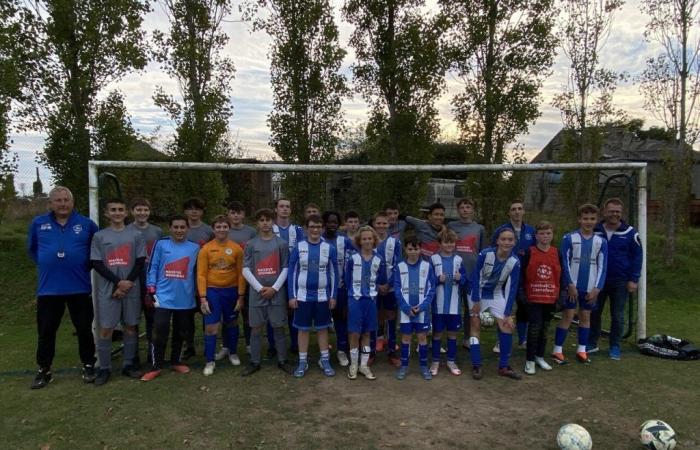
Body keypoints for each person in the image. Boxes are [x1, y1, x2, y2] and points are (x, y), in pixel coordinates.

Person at [27, 186, 99, 389]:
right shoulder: (38, 223)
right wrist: (49, 263)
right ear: (50, 203)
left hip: (79, 287)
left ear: (73, 202)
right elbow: (33, 250)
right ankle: (44, 370)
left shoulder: (86, 224)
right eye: (58, 200)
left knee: (84, 329)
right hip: (49, 289)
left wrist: (81, 264)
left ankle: (88, 365)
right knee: (46, 331)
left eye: (66, 199)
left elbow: (97, 250)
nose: (63, 203)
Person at [90, 198, 147, 385]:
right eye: (112, 209)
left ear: (125, 213)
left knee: (130, 326)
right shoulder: (100, 236)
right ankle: (104, 368)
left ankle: (128, 364)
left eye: (120, 209)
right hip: (108, 289)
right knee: (106, 328)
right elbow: (96, 263)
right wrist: (117, 283)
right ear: (106, 213)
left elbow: (140, 261)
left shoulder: (136, 235)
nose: (117, 212)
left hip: (131, 288)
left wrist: (126, 283)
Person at [141, 216, 200, 381]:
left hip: (185, 298)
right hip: (163, 296)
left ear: (187, 229)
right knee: (159, 330)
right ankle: (156, 365)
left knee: (181, 331)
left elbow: (198, 272)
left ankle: (176, 361)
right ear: (170, 228)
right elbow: (152, 266)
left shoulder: (195, 248)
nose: (179, 230)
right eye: (176, 227)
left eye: (182, 227)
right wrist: (151, 286)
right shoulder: (161, 244)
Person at [552, 204, 608, 365]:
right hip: (573, 287)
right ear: (579, 219)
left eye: (592, 219)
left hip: (590, 287)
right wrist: (570, 284)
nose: (588, 222)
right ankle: (557, 350)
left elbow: (603, 266)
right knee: (568, 315)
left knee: (585, 316)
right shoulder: (569, 238)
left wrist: (597, 288)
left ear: (596, 220)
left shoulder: (601, 242)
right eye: (585, 218)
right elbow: (564, 262)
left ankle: (582, 350)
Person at [240, 209, 293, 376]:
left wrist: (274, 288)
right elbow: (245, 269)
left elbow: (286, 268)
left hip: (276, 292)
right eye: (261, 220)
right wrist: (259, 288)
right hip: (257, 293)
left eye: (268, 220)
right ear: (257, 223)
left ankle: (282, 360)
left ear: (273, 222)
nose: (265, 223)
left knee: (278, 327)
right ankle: (255, 362)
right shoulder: (251, 244)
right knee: (256, 328)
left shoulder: (281, 244)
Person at [589, 198, 643, 360]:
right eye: (611, 211)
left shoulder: (631, 233)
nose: (614, 214)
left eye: (617, 211)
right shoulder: (595, 230)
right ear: (605, 212)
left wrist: (634, 279)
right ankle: (592, 342)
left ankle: (614, 346)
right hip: (598, 280)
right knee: (594, 312)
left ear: (622, 213)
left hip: (620, 281)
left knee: (617, 315)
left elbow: (637, 257)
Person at [288, 214, 338, 377]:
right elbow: (292, 272)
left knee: (323, 328)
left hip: (323, 296)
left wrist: (333, 295)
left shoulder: (329, 248)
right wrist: (292, 295)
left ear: (322, 228)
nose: (315, 230)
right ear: (306, 228)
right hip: (302, 296)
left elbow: (333, 273)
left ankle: (324, 360)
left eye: (318, 227)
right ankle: (303, 361)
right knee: (303, 330)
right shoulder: (299, 247)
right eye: (312, 227)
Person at [469, 228, 522, 380]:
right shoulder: (485, 254)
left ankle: (504, 367)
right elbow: (475, 277)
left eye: (510, 239)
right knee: (475, 325)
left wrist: (508, 313)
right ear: (498, 240)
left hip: (496, 294)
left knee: (507, 326)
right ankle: (476, 365)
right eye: (503, 239)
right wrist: (476, 300)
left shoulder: (515, 262)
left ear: (514, 242)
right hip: (477, 293)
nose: (507, 242)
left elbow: (512, 288)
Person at [197, 215, 246, 376]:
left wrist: (241, 295)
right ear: (213, 229)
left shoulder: (237, 248)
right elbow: (201, 275)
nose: (221, 230)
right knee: (211, 327)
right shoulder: (206, 249)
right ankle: (210, 360)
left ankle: (232, 352)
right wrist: (203, 297)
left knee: (231, 322)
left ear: (229, 228)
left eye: (224, 226)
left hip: (231, 291)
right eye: (218, 227)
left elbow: (241, 274)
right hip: (213, 291)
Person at [491, 200, 536, 350]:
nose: (517, 211)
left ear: (524, 211)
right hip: (504, 275)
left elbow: (534, 252)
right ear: (509, 213)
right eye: (513, 209)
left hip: (524, 276)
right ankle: (500, 340)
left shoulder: (530, 231)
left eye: (520, 209)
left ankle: (522, 339)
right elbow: (493, 251)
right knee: (503, 308)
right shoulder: (501, 230)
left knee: (523, 306)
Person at [215, 201, 257, 361]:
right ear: (228, 215)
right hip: (229, 281)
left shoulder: (251, 232)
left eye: (239, 213)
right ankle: (226, 346)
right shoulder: (223, 231)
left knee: (248, 315)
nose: (236, 216)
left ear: (244, 215)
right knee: (228, 316)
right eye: (233, 212)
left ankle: (249, 344)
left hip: (248, 279)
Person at [346, 226, 387, 380]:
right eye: (364, 239)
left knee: (367, 333)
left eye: (370, 238)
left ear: (374, 240)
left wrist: (379, 288)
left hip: (371, 300)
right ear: (359, 241)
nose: (367, 241)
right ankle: (354, 364)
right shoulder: (353, 259)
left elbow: (381, 280)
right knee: (355, 333)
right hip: (355, 299)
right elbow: (348, 279)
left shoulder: (379, 260)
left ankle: (364, 365)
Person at [394, 236, 436, 381]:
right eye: (410, 249)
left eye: (416, 249)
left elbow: (431, 289)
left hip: (422, 311)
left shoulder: (427, 266)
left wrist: (423, 306)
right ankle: (404, 366)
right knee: (405, 338)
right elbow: (397, 289)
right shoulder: (399, 267)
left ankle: (423, 366)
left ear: (420, 249)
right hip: (406, 311)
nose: (413, 252)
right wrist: (406, 308)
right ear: (405, 250)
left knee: (422, 337)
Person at [126, 197, 163, 365]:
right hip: (132, 279)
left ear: (149, 211)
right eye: (138, 209)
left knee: (152, 318)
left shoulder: (157, 231)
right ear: (132, 211)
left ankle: (152, 353)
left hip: (152, 281)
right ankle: (132, 356)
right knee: (132, 319)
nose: (142, 213)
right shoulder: (125, 230)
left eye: (145, 210)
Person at [521, 221, 560, 375]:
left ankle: (539, 356)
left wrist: (561, 296)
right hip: (533, 298)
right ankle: (529, 360)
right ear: (536, 235)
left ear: (552, 235)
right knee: (534, 329)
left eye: (548, 233)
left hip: (550, 298)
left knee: (545, 329)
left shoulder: (557, 253)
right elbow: (521, 276)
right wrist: (523, 296)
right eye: (542, 233)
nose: (545, 236)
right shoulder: (529, 252)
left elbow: (561, 276)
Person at [447, 198, 486, 348]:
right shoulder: (451, 226)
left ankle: (468, 338)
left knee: (470, 309)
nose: (465, 210)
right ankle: (451, 337)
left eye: (468, 207)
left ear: (473, 210)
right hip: (455, 274)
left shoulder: (479, 228)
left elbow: (482, 252)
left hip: (472, 275)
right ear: (458, 210)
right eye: (462, 207)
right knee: (452, 306)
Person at [429, 229, 467, 376]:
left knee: (452, 335)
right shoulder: (434, 259)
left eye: (451, 242)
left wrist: (460, 278)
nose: (449, 245)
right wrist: (438, 280)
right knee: (437, 334)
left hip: (454, 306)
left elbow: (465, 280)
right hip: (438, 306)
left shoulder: (459, 260)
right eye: (446, 242)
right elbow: (427, 281)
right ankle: (435, 362)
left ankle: (451, 361)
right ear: (440, 244)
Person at [182, 197, 214, 360]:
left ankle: (210, 345)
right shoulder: (180, 229)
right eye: (190, 208)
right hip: (183, 279)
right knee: (186, 316)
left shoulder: (209, 231)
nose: (194, 212)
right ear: (185, 211)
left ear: (202, 212)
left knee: (207, 313)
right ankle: (189, 346)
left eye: (197, 209)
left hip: (204, 279)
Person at [322, 211, 355, 367]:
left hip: (341, 288)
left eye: (335, 222)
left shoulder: (345, 240)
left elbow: (354, 263)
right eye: (329, 222)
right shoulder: (318, 240)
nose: (332, 225)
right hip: (321, 289)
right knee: (323, 322)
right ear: (324, 223)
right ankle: (323, 353)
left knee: (341, 319)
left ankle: (342, 350)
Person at [273, 198, 306, 355]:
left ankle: (295, 343)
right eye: (281, 206)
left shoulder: (298, 230)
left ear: (290, 210)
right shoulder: (270, 228)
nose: (284, 209)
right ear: (276, 210)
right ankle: (273, 346)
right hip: (274, 276)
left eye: (287, 206)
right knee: (274, 311)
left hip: (294, 276)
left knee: (294, 309)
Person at [372, 212, 402, 366]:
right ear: (374, 224)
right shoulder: (369, 241)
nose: (381, 226)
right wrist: (377, 284)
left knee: (391, 317)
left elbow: (398, 265)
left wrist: (389, 284)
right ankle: (371, 351)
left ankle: (392, 350)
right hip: (373, 287)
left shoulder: (395, 242)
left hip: (390, 288)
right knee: (375, 317)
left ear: (389, 224)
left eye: (384, 223)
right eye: (379, 223)